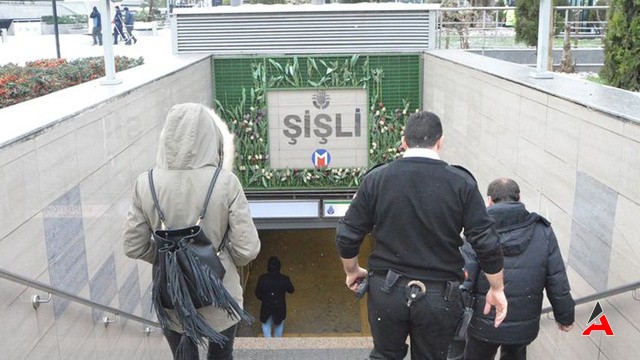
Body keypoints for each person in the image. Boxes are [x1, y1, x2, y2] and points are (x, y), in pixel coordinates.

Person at [335, 110, 508, 360]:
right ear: (440, 142)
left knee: (384, 355)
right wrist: (497, 288)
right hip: (438, 297)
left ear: (404, 141)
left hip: (386, 292)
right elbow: (487, 244)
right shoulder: (461, 183)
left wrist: (352, 271)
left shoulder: (377, 179)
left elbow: (347, 235)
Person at [122, 103, 261, 360]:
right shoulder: (226, 182)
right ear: (210, 137)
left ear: (167, 138)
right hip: (221, 294)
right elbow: (246, 250)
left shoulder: (146, 182)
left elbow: (133, 246)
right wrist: (215, 255)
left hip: (172, 295)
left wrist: (172, 256)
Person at [463, 178, 575, 360]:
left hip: (484, 322)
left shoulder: (478, 230)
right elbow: (557, 278)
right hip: (523, 325)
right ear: (519, 198)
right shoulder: (543, 231)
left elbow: (465, 279)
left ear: (490, 200)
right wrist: (565, 316)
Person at [255, 256, 295, 337]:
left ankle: (268, 345)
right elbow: (291, 290)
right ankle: (277, 344)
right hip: (279, 307)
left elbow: (258, 294)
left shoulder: (262, 278)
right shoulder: (284, 279)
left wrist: (265, 298)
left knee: (266, 325)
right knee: (279, 325)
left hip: (266, 307)